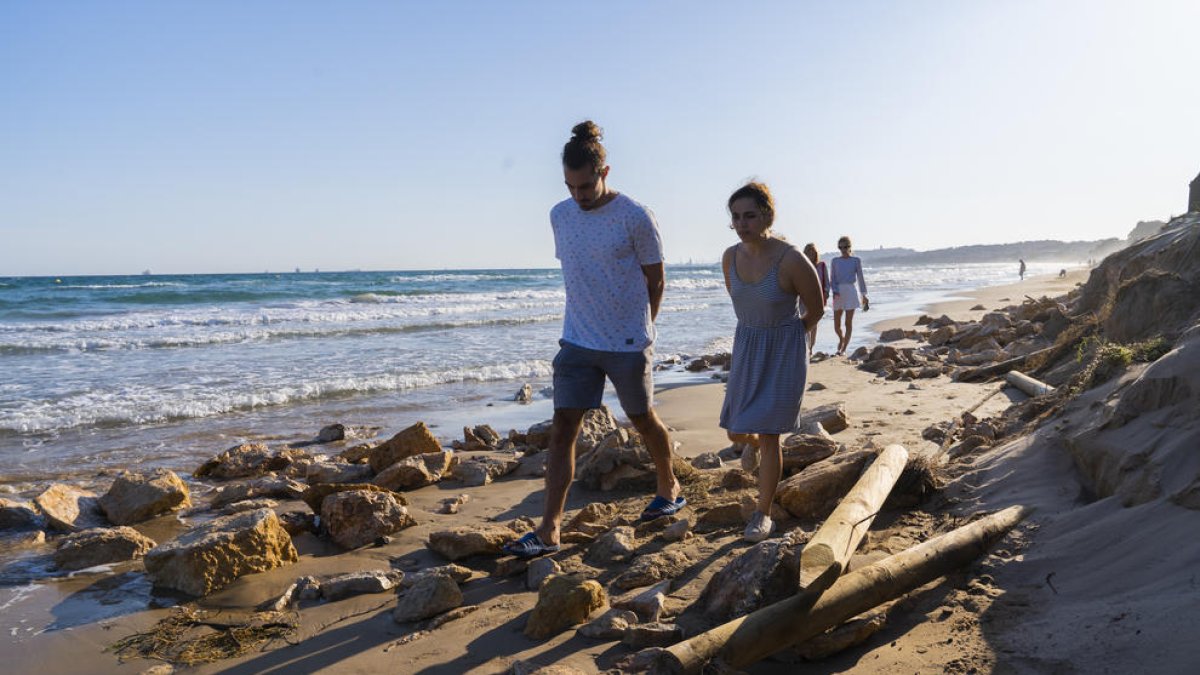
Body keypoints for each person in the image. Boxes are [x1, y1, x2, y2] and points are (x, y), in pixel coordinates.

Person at [503, 121, 684, 558]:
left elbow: (656, 280)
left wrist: (644, 329)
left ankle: (669, 485)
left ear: (605, 172)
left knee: (641, 418)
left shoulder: (636, 216)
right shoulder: (560, 215)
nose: (578, 195)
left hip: (627, 342)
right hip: (577, 340)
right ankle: (550, 528)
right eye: (570, 186)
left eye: (585, 186)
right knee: (563, 428)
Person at [720, 183, 825, 542]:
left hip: (783, 352)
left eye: (749, 216)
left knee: (770, 436)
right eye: (736, 217)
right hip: (747, 347)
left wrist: (790, 338)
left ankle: (762, 515)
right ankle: (752, 446)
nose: (742, 223)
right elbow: (743, 305)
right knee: (736, 431)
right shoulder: (729, 257)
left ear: (767, 216)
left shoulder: (791, 259)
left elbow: (816, 309)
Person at [830, 236, 868, 356]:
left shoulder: (856, 260)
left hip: (851, 291)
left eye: (845, 247)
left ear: (850, 247)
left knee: (848, 323)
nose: (843, 250)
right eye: (840, 247)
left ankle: (843, 349)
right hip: (838, 292)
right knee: (836, 325)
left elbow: (860, 278)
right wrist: (835, 291)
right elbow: (832, 279)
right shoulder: (835, 261)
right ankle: (841, 339)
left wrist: (864, 295)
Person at [802, 243, 829, 356]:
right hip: (803, 298)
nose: (811, 254)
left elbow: (826, 281)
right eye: (808, 251)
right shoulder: (802, 266)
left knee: (814, 323)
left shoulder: (821, 265)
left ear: (816, 253)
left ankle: (811, 346)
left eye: (813, 252)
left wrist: (826, 293)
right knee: (805, 323)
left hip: (818, 297)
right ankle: (807, 347)